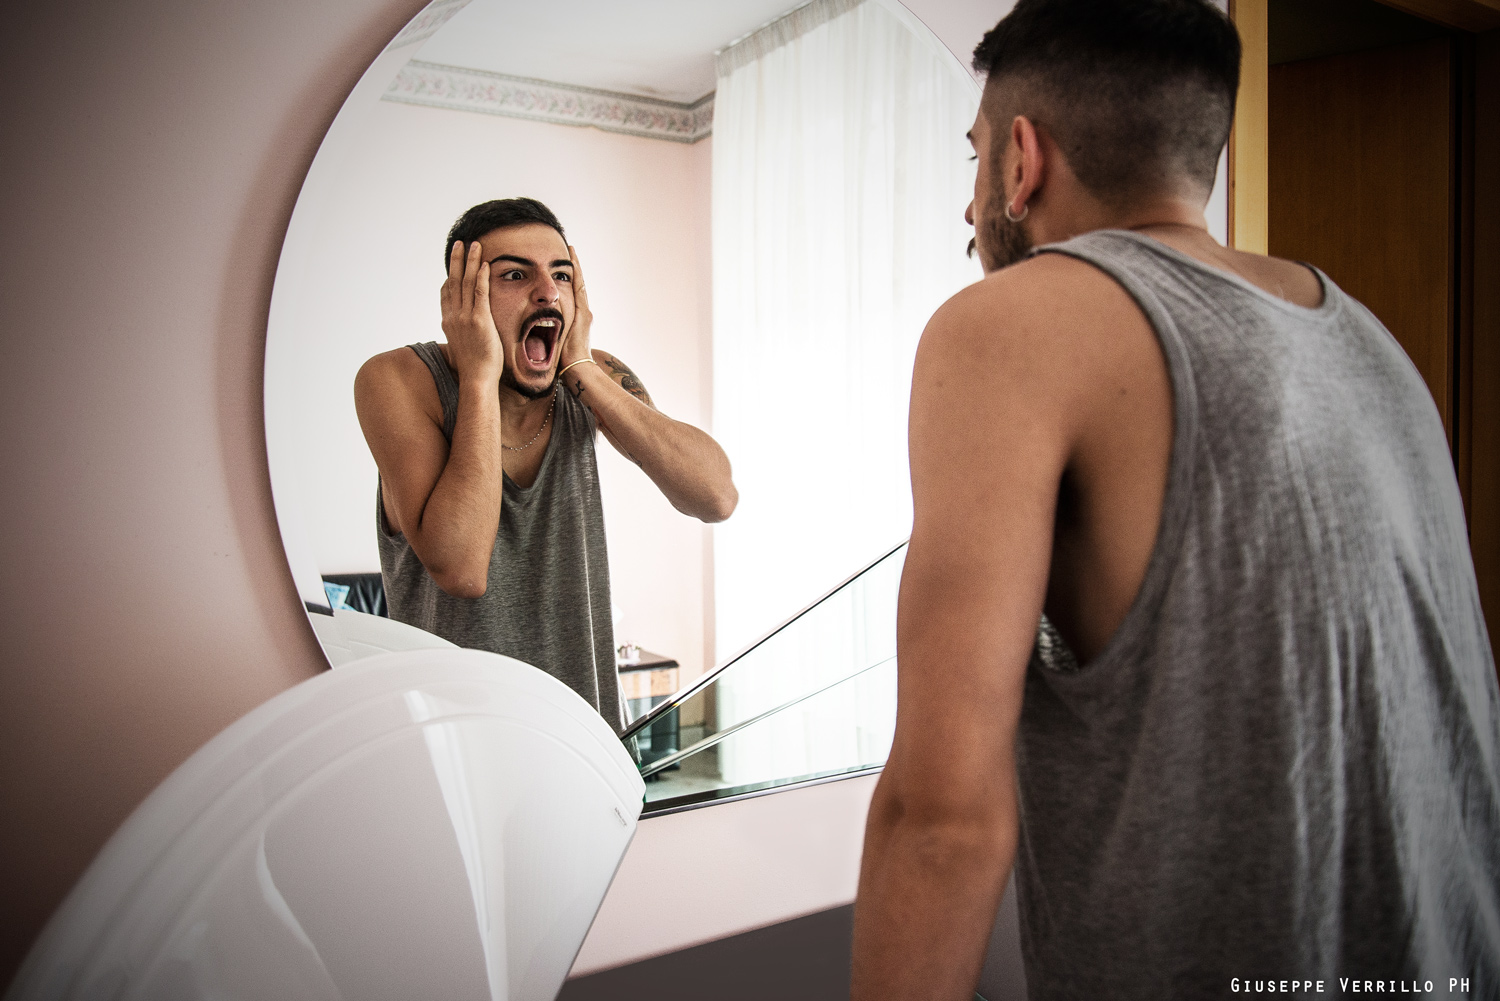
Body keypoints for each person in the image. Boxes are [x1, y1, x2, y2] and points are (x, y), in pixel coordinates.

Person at [851, 0, 1500, 997]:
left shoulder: (1005, 327)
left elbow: (940, 821)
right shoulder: (1370, 339)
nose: (969, 209)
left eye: (973, 158)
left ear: (1021, 160)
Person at [354, 198, 737, 734]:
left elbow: (716, 497)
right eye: (515, 275)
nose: (548, 292)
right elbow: (462, 569)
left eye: (561, 275)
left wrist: (582, 367)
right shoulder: (396, 380)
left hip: (588, 740)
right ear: (463, 295)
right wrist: (479, 374)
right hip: (458, 747)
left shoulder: (591, 377)